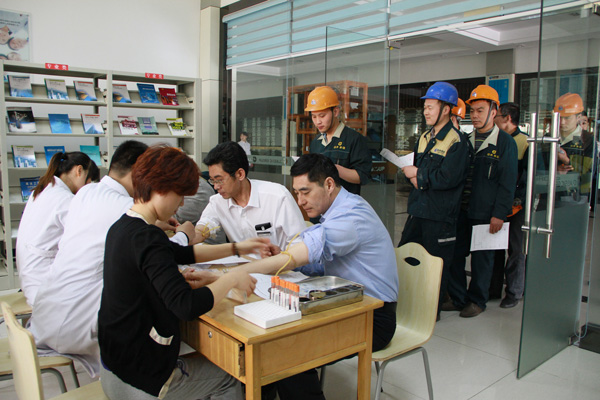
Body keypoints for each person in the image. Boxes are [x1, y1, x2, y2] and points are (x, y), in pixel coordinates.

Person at [99, 145, 269, 399]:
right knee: (230, 375)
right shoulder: (147, 238)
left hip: (113, 367)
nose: (180, 204)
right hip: (141, 379)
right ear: (161, 188)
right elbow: (186, 305)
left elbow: (181, 253)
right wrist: (231, 278)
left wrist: (237, 247)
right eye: (179, 196)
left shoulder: (124, 227)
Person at [238, 153, 398, 400]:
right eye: (296, 193)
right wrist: (284, 257)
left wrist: (245, 271)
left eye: (305, 192)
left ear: (329, 184)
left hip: (373, 317)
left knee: (286, 354)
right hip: (347, 304)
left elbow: (309, 250)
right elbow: (319, 263)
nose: (300, 201)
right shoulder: (334, 212)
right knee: (271, 342)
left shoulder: (352, 214)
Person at [29, 141, 191, 376]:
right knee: (163, 311)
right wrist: (185, 235)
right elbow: (158, 256)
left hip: (47, 312)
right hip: (77, 322)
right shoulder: (126, 208)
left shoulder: (86, 192)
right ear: (139, 172)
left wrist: (156, 222)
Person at [397, 82, 471, 319]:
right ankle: (408, 303)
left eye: (430, 107)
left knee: (436, 266)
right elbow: (414, 169)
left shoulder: (457, 142)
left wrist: (418, 175)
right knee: (406, 256)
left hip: (440, 216)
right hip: (418, 211)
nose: (426, 112)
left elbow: (449, 178)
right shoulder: (424, 137)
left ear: (446, 109)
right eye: (425, 107)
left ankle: (430, 314)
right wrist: (413, 175)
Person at [446, 85, 517, 318]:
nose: (474, 116)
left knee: (482, 260)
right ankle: (458, 297)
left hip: (486, 214)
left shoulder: (505, 143)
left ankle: (477, 301)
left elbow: (507, 182)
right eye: (472, 111)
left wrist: (499, 214)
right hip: (462, 210)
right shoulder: (465, 140)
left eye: (480, 110)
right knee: (456, 255)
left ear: (493, 111)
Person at [16, 151, 99, 306]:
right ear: (79, 170)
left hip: (30, 277)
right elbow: (87, 233)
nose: (87, 188)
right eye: (89, 182)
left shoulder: (42, 190)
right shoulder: (64, 199)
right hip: (41, 285)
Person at [195, 141, 306, 252]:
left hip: (281, 262)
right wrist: (191, 235)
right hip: (243, 262)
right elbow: (205, 224)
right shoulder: (218, 201)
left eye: (219, 180)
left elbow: (299, 242)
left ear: (240, 174)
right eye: (212, 180)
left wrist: (280, 255)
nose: (216, 187)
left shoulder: (277, 196)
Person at [490, 102, 529, 308]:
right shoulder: (496, 140)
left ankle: (514, 292)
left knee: (515, 249)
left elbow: (527, 178)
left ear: (507, 118)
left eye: (497, 116)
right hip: (497, 204)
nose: (494, 119)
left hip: (517, 207)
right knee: (495, 247)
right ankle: (493, 288)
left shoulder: (524, 143)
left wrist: (517, 201)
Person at [306, 86, 372, 195]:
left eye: (322, 116)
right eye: (314, 117)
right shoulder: (316, 143)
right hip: (321, 202)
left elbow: (362, 176)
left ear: (335, 112)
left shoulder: (354, 139)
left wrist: (334, 169)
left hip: (346, 202)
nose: (318, 122)